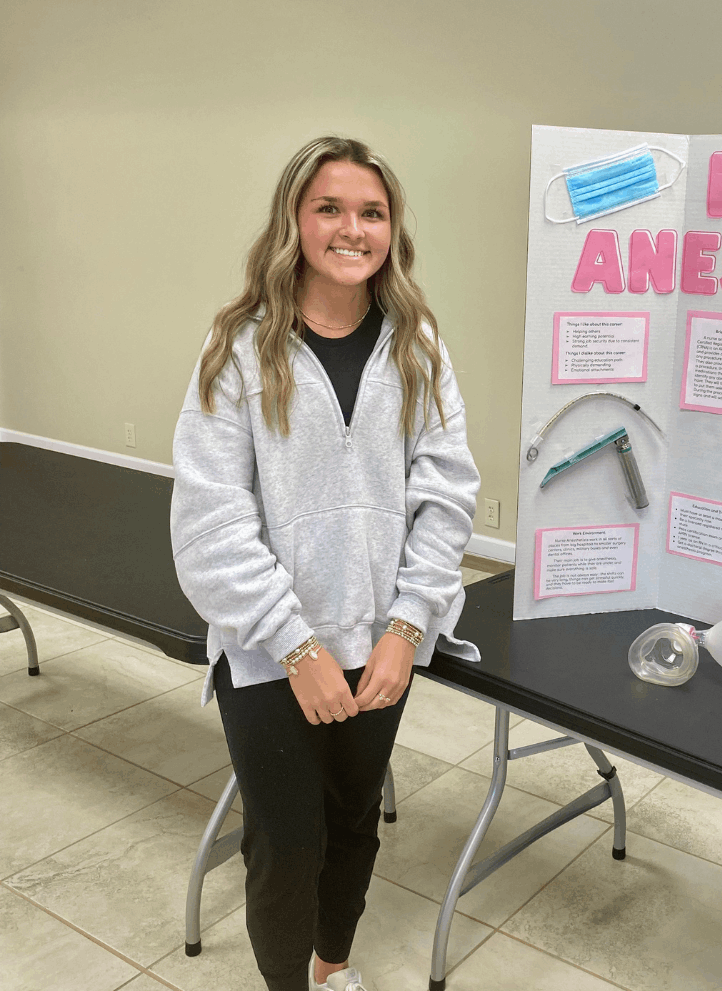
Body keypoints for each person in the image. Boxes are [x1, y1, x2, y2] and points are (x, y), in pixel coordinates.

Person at [170, 136, 481, 991]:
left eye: (372, 212)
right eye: (330, 209)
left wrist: (406, 628)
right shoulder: (237, 347)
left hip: (381, 643)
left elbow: (448, 496)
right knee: (287, 842)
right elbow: (210, 521)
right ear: (295, 222)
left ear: (392, 229)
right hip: (272, 652)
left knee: (353, 825)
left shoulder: (417, 343)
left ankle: (332, 968)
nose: (353, 228)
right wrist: (293, 646)